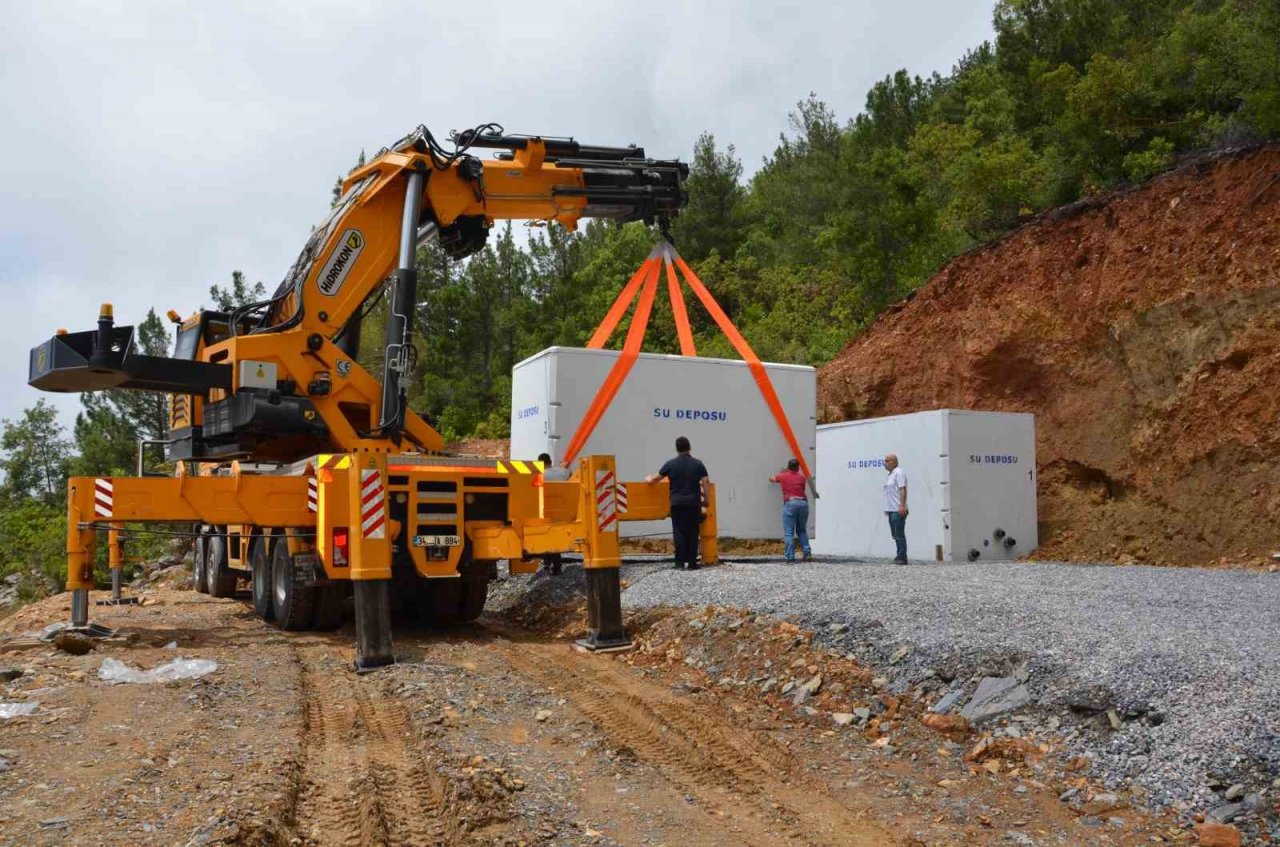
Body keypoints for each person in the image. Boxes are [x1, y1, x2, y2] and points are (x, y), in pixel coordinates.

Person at [646, 436, 709, 571]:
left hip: (677, 503)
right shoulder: (698, 464)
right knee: (693, 531)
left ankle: (679, 562)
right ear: (689, 447)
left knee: (679, 531)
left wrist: (648, 478)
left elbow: (654, 479)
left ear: (676, 449)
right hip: (693, 503)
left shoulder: (670, 464)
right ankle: (692, 563)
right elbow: (705, 481)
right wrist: (706, 500)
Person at [768, 458, 811, 563]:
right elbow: (802, 489)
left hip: (791, 503)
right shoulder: (802, 478)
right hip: (803, 503)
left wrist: (782, 473)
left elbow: (771, 479)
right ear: (798, 467)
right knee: (802, 530)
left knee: (789, 532)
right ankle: (807, 553)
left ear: (788, 467)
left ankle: (790, 557)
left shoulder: (783, 476)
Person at [537, 453, 570, 575]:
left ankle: (548, 564)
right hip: (563, 510)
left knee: (546, 537)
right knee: (556, 536)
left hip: (546, 510)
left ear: (540, 463)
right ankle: (555, 565)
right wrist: (563, 467)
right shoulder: (563, 472)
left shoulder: (540, 475)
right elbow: (569, 475)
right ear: (550, 461)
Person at [883, 453, 908, 564]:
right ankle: (899, 554)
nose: (885, 463)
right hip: (891, 509)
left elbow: (902, 489)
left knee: (899, 534)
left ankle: (902, 557)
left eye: (887, 460)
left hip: (897, 509)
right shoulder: (890, 475)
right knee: (895, 534)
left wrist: (902, 505)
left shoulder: (899, 473)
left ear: (894, 462)